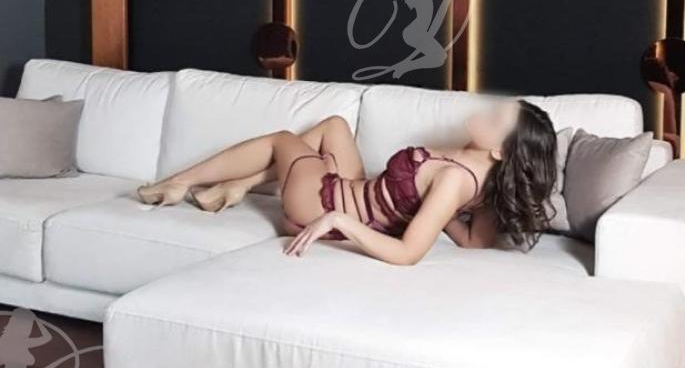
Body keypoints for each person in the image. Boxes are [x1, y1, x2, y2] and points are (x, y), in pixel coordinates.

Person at [137, 98, 558, 265]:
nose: (484, 112)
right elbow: (472, 242)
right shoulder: (478, 174)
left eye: (495, 120)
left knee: (282, 140)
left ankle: (179, 181)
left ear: (499, 151)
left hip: (321, 206)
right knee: (334, 126)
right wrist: (433, 208)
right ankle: (241, 184)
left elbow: (409, 253)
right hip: (356, 192)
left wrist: (338, 220)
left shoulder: (454, 180)